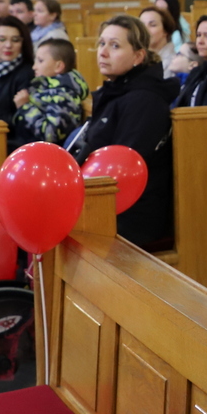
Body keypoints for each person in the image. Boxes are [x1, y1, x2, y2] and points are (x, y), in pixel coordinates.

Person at [68, 16, 175, 249]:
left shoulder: (144, 101)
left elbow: (123, 171)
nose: (103, 52)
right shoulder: (116, 92)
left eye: (114, 46)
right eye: (101, 43)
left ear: (138, 56)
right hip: (101, 200)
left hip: (131, 213)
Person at [12, 38, 89, 146]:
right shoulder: (42, 86)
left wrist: (25, 107)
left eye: (40, 61)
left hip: (44, 153)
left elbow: (50, 135)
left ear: (58, 66)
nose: (34, 67)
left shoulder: (64, 95)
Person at [139, 4, 179, 76]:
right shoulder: (137, 59)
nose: (145, 30)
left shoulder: (174, 63)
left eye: (152, 25)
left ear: (166, 31)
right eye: (142, 25)